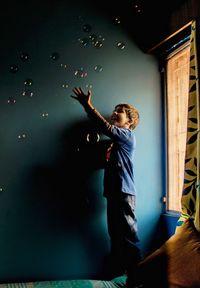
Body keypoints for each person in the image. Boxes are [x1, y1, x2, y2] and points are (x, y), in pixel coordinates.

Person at [71, 87, 142, 287]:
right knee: (116, 236)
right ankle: (121, 275)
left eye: (120, 110)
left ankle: (138, 277)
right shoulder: (113, 144)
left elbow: (104, 126)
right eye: (115, 109)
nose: (114, 112)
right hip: (113, 192)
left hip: (124, 192)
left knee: (128, 237)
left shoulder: (127, 136)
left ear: (129, 122)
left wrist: (87, 106)